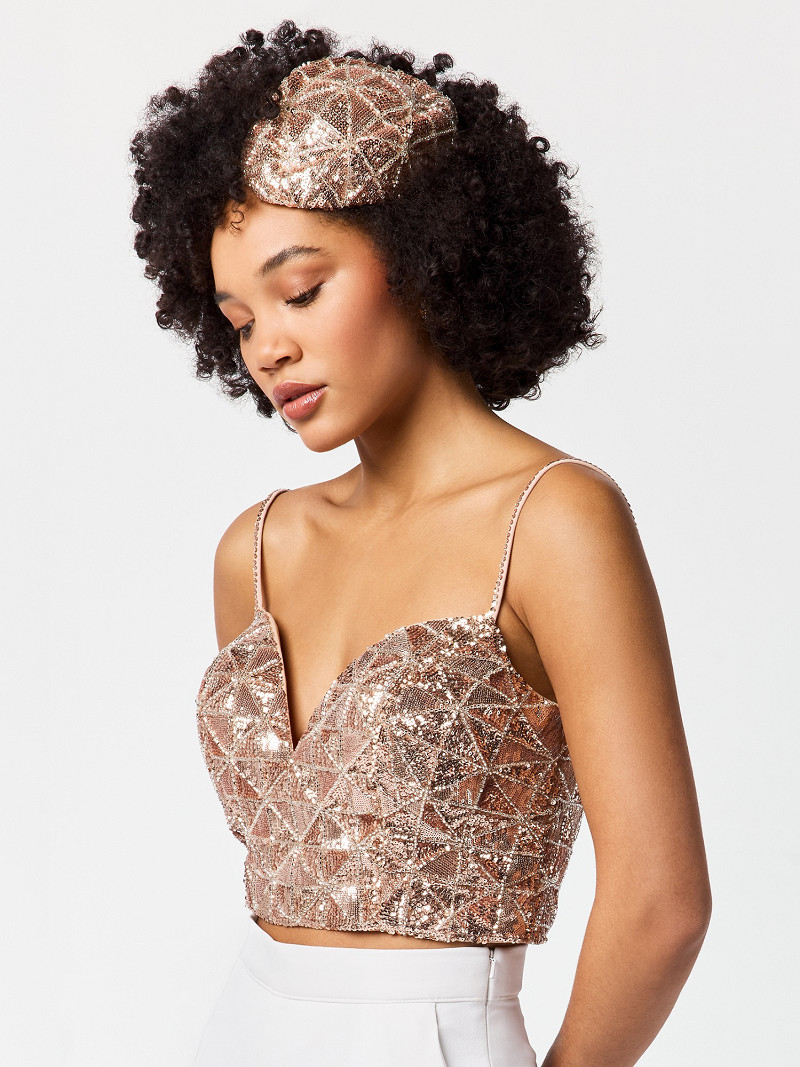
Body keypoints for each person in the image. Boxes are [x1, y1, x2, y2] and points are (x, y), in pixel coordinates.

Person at [130, 19, 711, 1067]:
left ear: (420, 254)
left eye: (301, 290)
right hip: (238, 1025)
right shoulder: (255, 549)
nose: (269, 347)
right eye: (240, 318)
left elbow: (661, 903)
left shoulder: (554, 520)